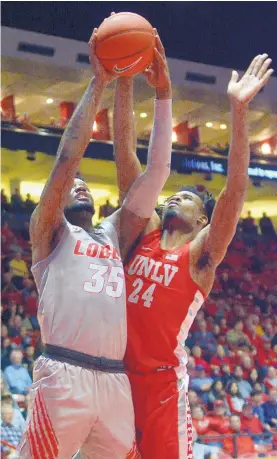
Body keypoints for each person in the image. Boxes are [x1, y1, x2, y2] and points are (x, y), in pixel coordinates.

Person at [18, 29, 172, 459]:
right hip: (63, 374)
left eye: (87, 185)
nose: (80, 186)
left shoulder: (113, 235)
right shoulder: (48, 232)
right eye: (74, 186)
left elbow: (156, 172)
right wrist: (101, 80)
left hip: (114, 380)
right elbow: (68, 158)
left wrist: (153, 92)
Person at [120, 54, 273, 458]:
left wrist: (238, 111)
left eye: (186, 198)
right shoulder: (144, 234)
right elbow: (127, 166)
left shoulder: (200, 255)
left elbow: (235, 192)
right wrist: (122, 84)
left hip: (161, 390)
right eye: (175, 193)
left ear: (203, 219)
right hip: (114, 378)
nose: (174, 197)